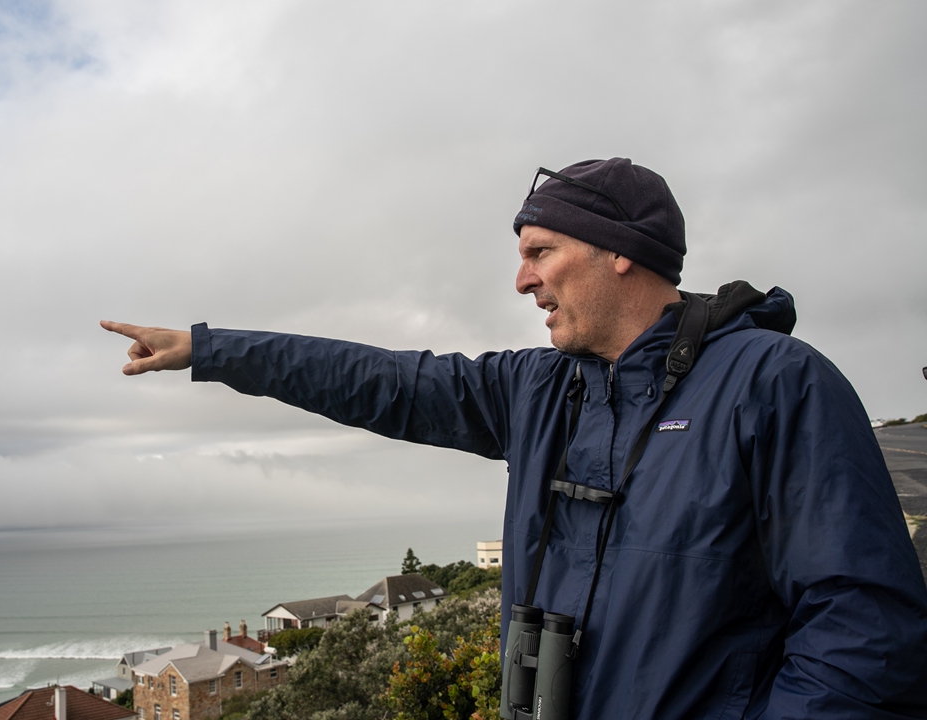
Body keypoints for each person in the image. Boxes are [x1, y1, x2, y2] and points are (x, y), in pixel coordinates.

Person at [101, 158, 927, 719]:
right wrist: (210, 351)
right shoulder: (538, 389)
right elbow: (379, 381)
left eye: (540, 252)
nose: (522, 279)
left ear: (621, 258)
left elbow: (864, 627)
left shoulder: (773, 381)